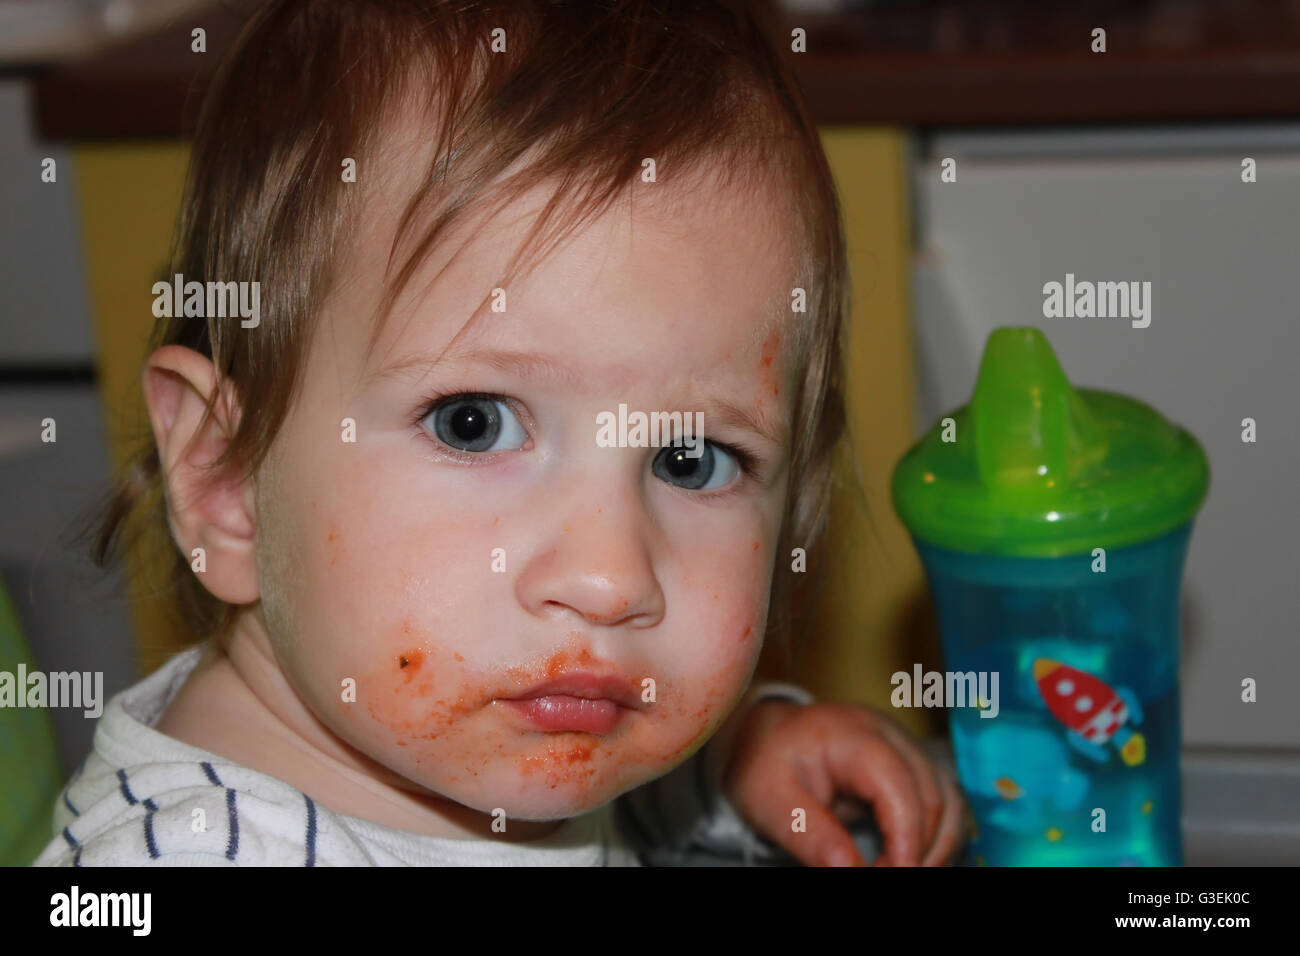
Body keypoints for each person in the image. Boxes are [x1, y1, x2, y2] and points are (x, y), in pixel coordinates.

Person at [36, 0, 964, 867]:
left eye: (692, 458)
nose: (610, 578)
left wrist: (742, 757)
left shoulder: (506, 735)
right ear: (228, 480)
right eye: (473, 425)